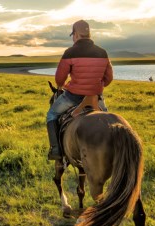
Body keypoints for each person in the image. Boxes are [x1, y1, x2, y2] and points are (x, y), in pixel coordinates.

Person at [46, 19, 113, 160]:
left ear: (76, 34)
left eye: (73, 35)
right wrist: (97, 86)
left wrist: (66, 84)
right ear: (89, 34)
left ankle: (56, 150)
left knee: (51, 115)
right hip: (96, 98)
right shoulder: (103, 52)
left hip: (72, 97)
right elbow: (109, 79)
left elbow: (59, 80)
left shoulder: (69, 53)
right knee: (110, 122)